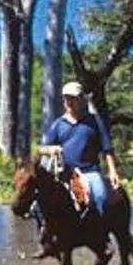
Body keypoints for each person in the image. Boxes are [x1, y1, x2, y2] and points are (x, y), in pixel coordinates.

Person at [40, 78, 122, 213]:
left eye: (73, 98)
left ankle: (99, 230)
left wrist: (112, 171)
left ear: (81, 100)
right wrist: (50, 149)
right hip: (65, 174)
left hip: (90, 172)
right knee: (41, 203)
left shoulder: (94, 121)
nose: (69, 102)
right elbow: (41, 148)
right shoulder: (59, 124)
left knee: (100, 195)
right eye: (66, 98)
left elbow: (107, 148)